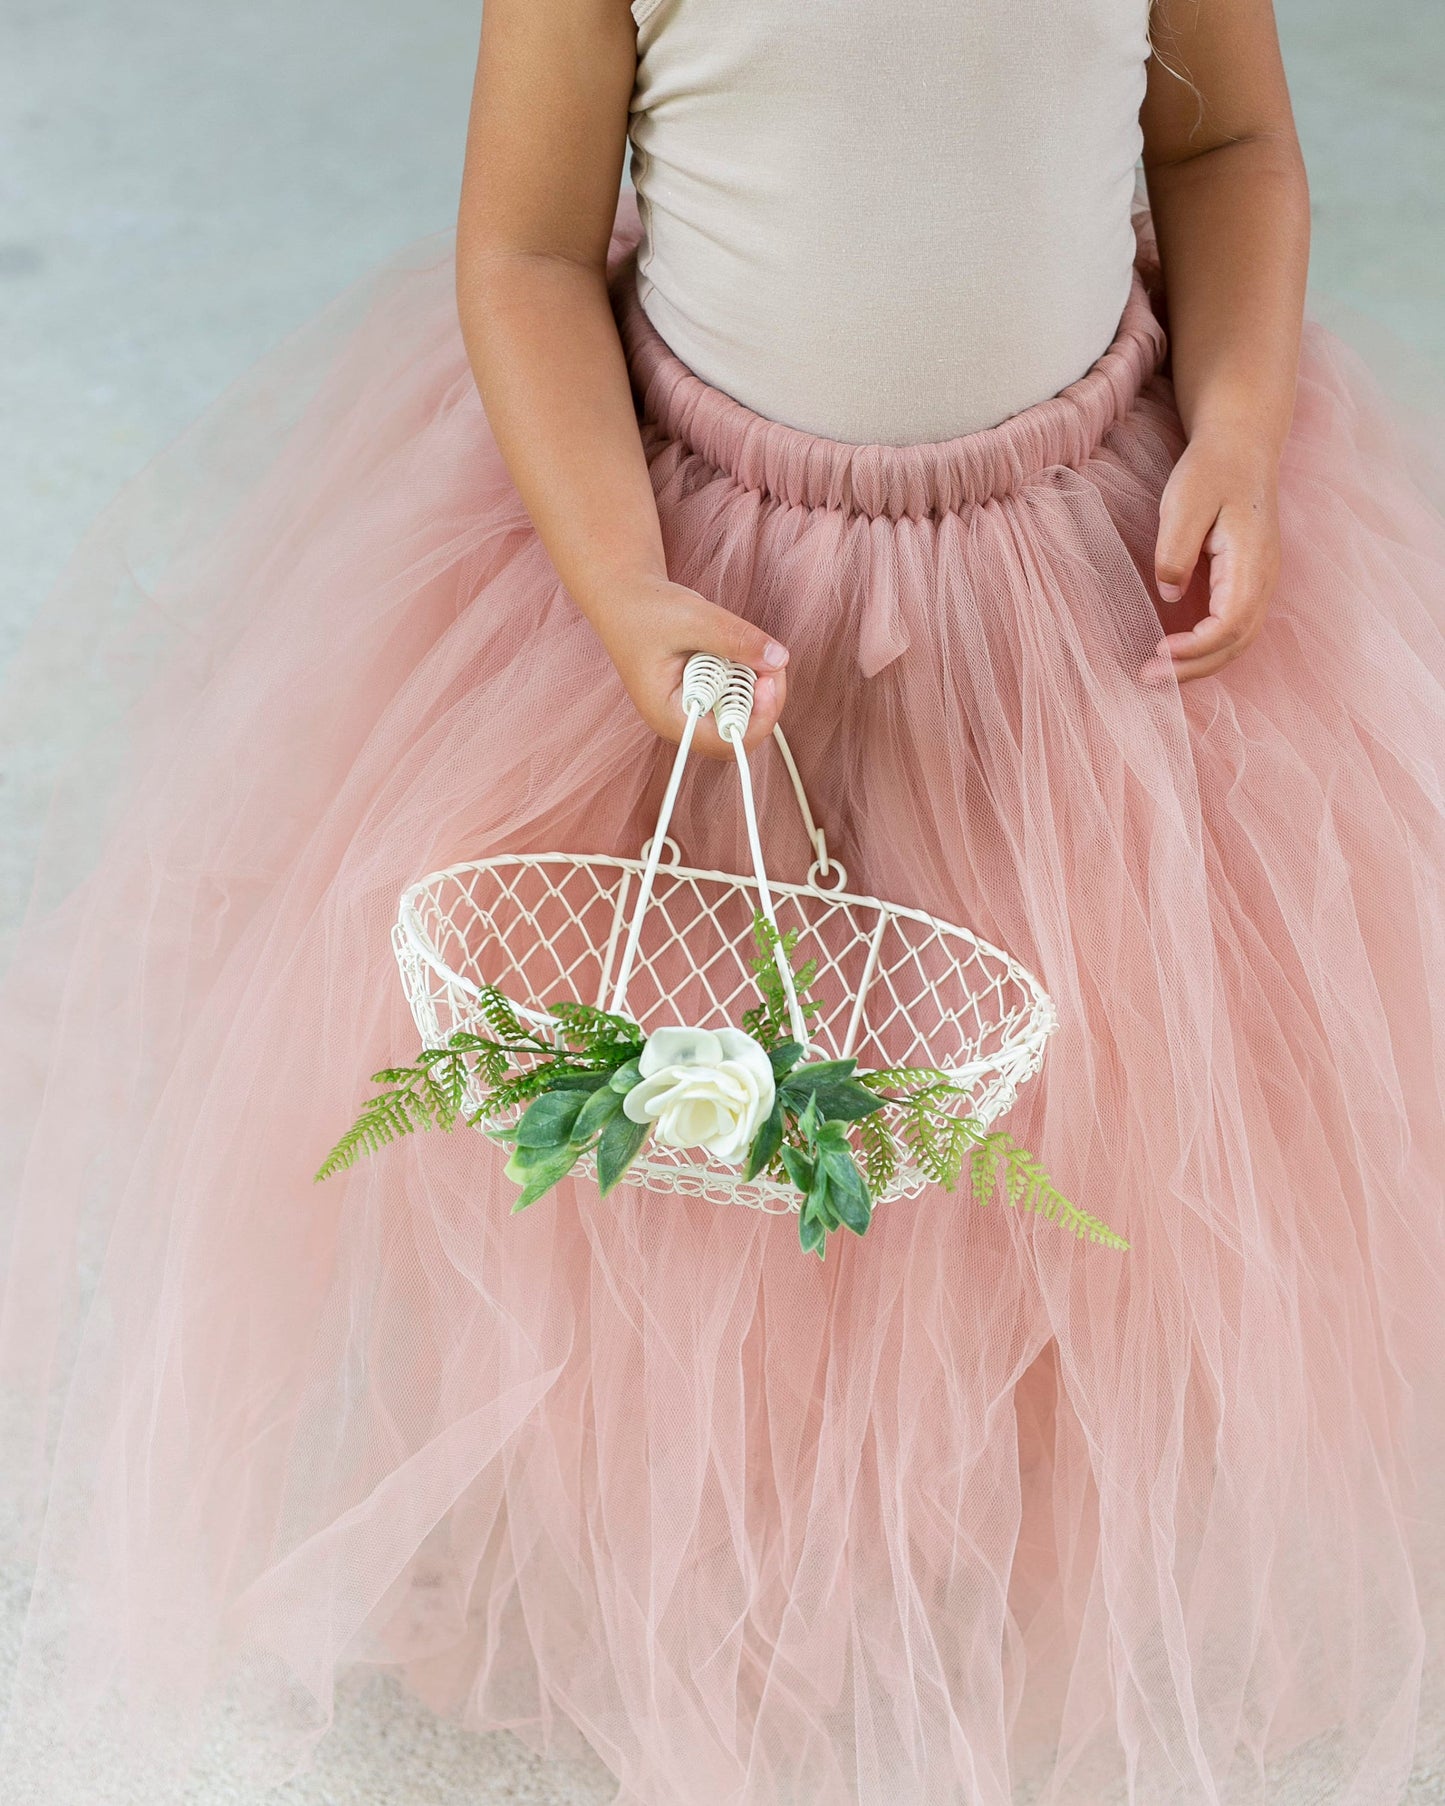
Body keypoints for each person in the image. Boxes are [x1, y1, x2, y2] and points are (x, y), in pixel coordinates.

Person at [1, 0, 1442, 1801]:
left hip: (1070, 574)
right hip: (699, 565)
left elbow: (1223, 147)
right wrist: (616, 587)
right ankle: (711, 1528)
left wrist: (1234, 424)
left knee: (1058, 1067)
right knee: (714, 1076)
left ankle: (987, 1503)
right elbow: (526, 246)